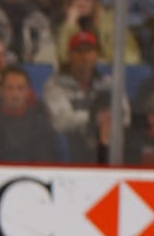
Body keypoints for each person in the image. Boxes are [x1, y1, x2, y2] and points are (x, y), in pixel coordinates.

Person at [43, 30, 123, 164]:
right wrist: (93, 118)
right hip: (73, 149)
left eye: (89, 51)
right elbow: (60, 121)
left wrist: (107, 121)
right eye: (79, 51)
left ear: (96, 55)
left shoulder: (108, 83)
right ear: (70, 55)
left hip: (106, 145)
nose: (84, 57)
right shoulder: (55, 85)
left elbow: (125, 115)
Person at [0, 66, 59, 163]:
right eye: (10, 88)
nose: (15, 94)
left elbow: (44, 162)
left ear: (28, 92)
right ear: (0, 91)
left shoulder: (41, 125)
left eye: (20, 88)